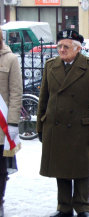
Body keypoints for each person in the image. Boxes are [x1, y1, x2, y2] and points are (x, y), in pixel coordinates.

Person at [36, 29, 89, 217]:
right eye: (59, 46)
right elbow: (43, 98)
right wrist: (40, 126)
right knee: (61, 167)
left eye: (65, 46)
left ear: (77, 48)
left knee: (82, 169)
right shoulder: (51, 66)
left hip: (81, 127)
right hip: (55, 125)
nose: (61, 50)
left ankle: (83, 206)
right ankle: (64, 207)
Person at [0, 27, 23, 217]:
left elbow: (16, 93)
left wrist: (13, 122)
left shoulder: (11, 59)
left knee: (0, 168)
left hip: (1, 125)